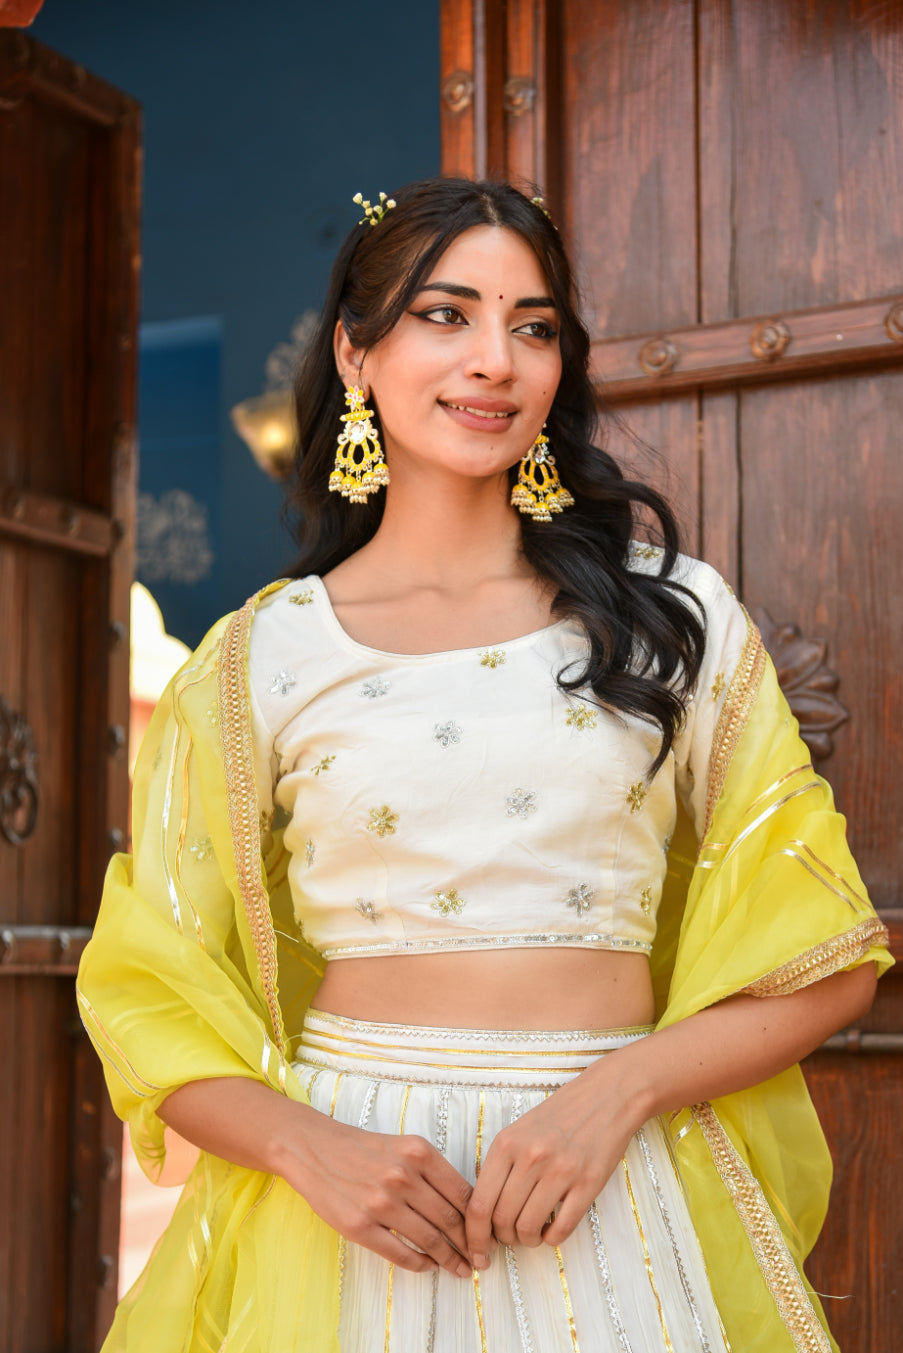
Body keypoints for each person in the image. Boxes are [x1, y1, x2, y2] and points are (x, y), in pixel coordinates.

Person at [78, 178, 891, 1353]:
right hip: (358, 1202)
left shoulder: (676, 621)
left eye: (535, 325)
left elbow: (830, 959)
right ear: (356, 354)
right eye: (446, 315)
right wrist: (312, 1147)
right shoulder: (262, 658)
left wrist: (616, 1095)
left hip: (611, 1178)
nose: (496, 361)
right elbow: (145, 990)